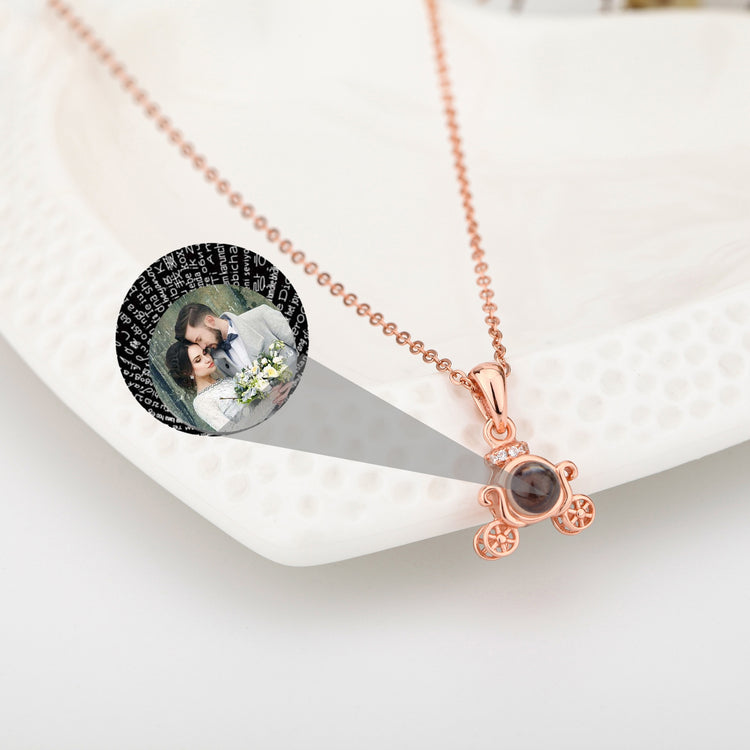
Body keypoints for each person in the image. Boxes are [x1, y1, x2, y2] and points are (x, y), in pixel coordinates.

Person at [174, 302, 298, 394]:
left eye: (199, 339)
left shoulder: (261, 316)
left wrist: (296, 382)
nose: (202, 347)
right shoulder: (218, 361)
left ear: (210, 321)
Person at [164, 341, 277, 433]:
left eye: (205, 353)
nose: (207, 359)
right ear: (186, 372)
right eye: (198, 360)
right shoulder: (201, 402)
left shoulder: (226, 379)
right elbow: (233, 431)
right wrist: (269, 402)